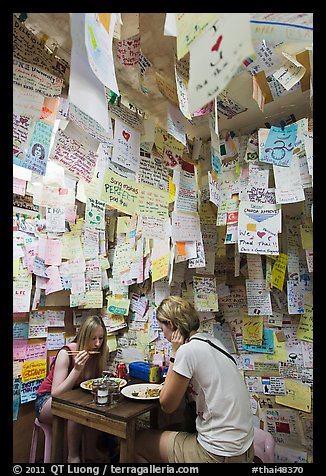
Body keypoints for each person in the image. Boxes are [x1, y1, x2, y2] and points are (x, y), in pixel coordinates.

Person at [134, 296, 255, 463]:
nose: (165, 337)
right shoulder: (214, 342)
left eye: (163, 331)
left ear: (171, 325)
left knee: (137, 442)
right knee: (173, 428)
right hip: (245, 449)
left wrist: (175, 353)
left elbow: (167, 404)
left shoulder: (187, 351)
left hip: (219, 453)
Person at [35, 315, 109, 463]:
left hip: (75, 399)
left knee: (95, 408)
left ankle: (90, 453)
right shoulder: (67, 353)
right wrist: (76, 370)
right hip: (46, 400)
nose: (97, 343)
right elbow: (56, 393)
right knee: (75, 410)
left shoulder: (99, 353)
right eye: (93, 338)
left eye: (101, 338)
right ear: (83, 336)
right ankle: (73, 457)